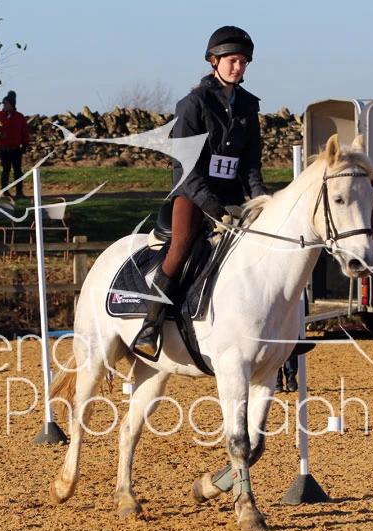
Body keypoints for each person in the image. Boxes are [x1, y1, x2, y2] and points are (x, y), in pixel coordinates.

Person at [131, 25, 269, 358]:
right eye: (232, 61)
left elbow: (251, 164)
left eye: (243, 62)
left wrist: (261, 199)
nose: (238, 67)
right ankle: (150, 325)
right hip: (193, 194)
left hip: (232, 196)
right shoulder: (193, 103)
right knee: (181, 247)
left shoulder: (248, 106)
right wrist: (207, 201)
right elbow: (186, 165)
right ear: (214, 61)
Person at [0, 90, 30, 198]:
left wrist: (25, 144)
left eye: (7, 104)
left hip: (16, 148)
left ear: (12, 104)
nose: (5, 106)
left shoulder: (19, 117)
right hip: (4, 148)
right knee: (6, 170)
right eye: (4, 104)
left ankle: (19, 191)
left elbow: (25, 132)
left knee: (18, 171)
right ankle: (5, 191)